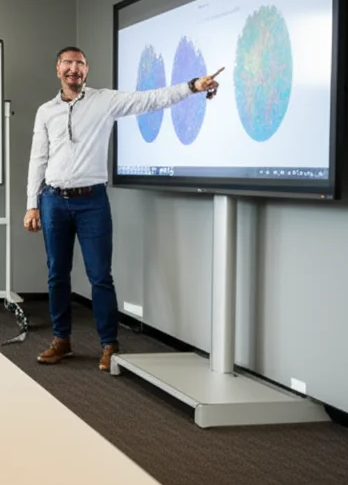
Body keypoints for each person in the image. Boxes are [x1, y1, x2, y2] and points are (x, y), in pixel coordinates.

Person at [24, 46, 222, 370]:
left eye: (80, 64)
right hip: (53, 202)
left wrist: (191, 86)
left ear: (86, 70)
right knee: (56, 274)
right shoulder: (46, 111)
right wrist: (32, 204)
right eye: (68, 63)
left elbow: (150, 99)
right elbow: (37, 158)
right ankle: (62, 340)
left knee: (100, 275)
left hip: (92, 202)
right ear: (57, 68)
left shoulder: (105, 101)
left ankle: (109, 344)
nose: (74, 69)